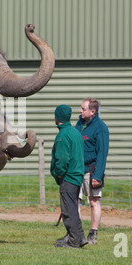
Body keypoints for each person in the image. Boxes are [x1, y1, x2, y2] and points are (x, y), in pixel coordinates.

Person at [50, 105, 87, 248]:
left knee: (68, 210)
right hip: (77, 175)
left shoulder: (62, 136)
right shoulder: (76, 132)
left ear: (56, 117)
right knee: (72, 207)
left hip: (68, 177)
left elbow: (62, 159)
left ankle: (73, 242)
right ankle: (80, 237)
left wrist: (59, 174)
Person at [75, 98, 109, 245]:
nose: (80, 111)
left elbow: (102, 153)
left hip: (92, 169)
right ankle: (76, 232)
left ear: (92, 111)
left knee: (94, 201)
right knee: (74, 200)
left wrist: (98, 175)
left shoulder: (101, 128)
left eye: (83, 109)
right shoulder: (79, 123)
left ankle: (93, 233)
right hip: (76, 170)